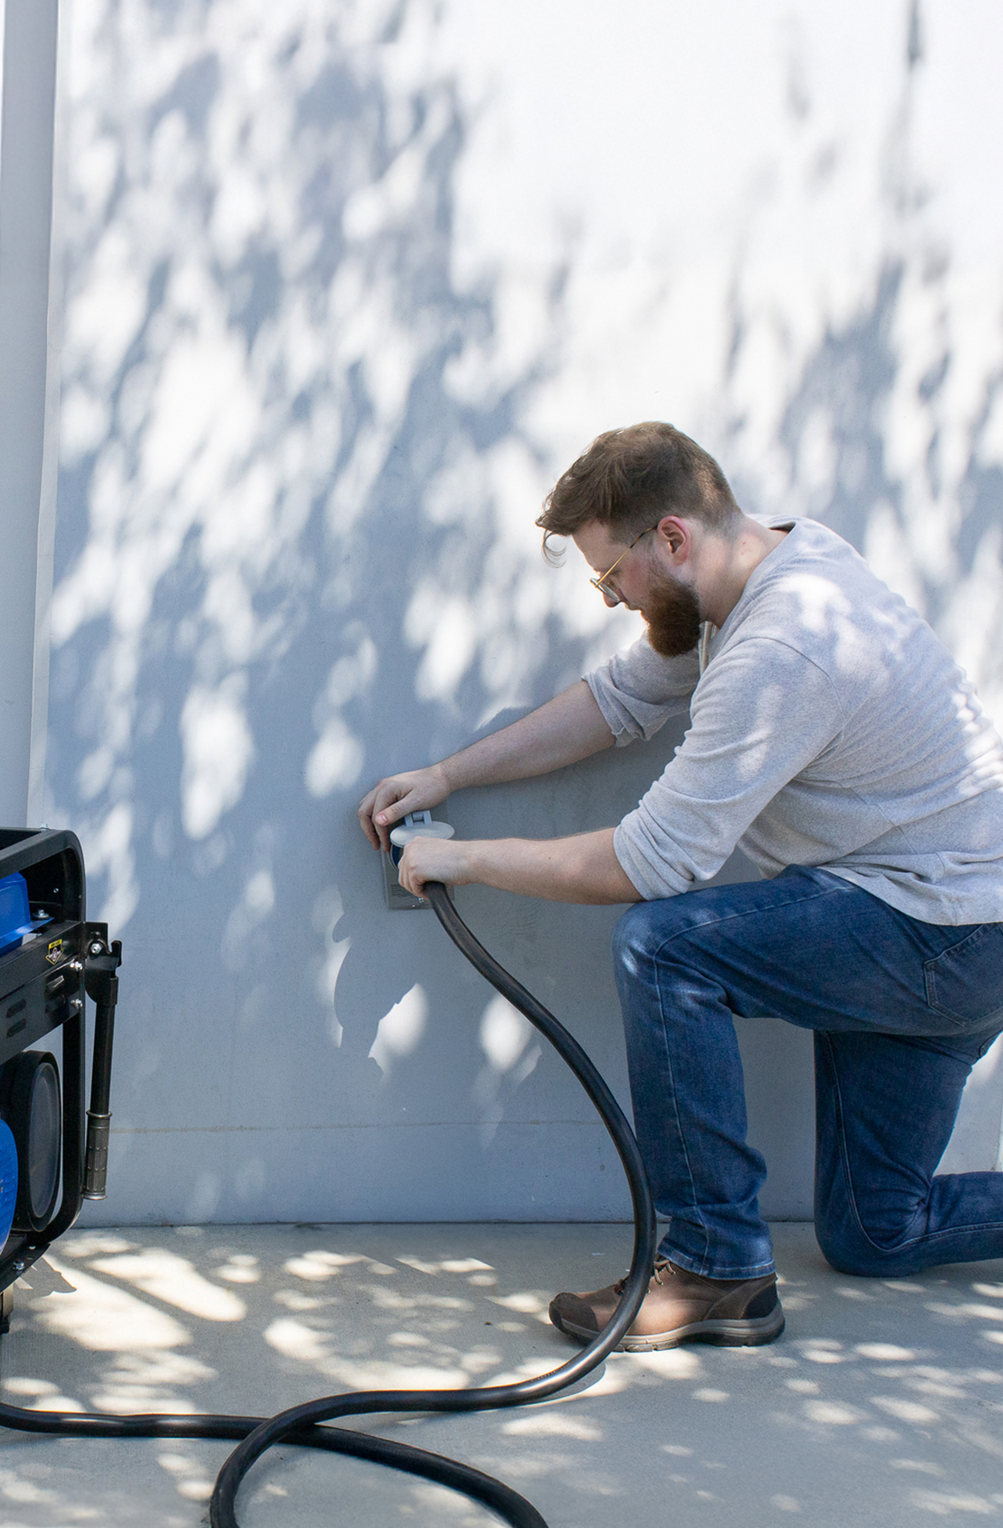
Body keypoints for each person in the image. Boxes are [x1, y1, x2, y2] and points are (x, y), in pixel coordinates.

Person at [358, 421, 1003, 1351]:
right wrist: (449, 776)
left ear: (671, 538)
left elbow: (652, 864)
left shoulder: (785, 646)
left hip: (945, 936)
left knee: (664, 948)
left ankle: (715, 1264)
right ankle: (735, 1260)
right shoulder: (759, 571)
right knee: (876, 1231)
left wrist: (468, 858)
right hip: (944, 919)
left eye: (610, 576)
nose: (612, 599)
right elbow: (617, 702)